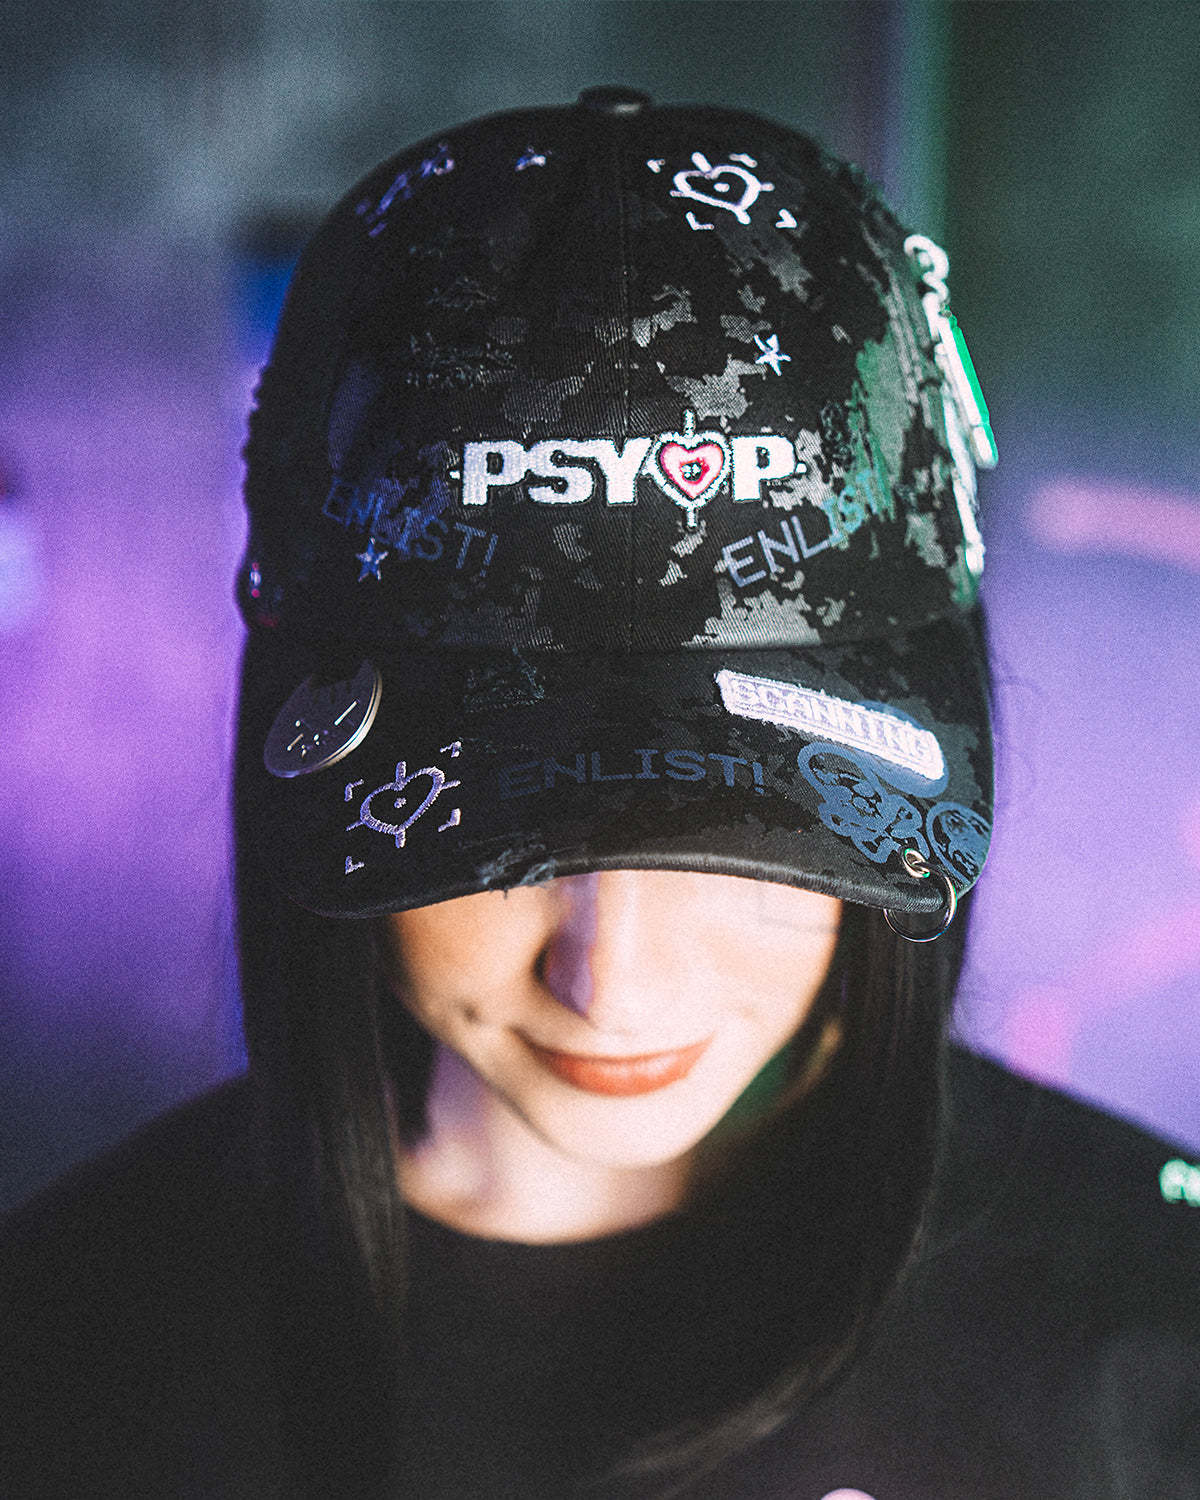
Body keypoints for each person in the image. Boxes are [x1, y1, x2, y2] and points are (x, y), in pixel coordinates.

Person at [2, 88, 1196, 1500]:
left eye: (740, 829)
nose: (611, 981)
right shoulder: (64, 1348)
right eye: (495, 830)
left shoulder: (1157, 1319)